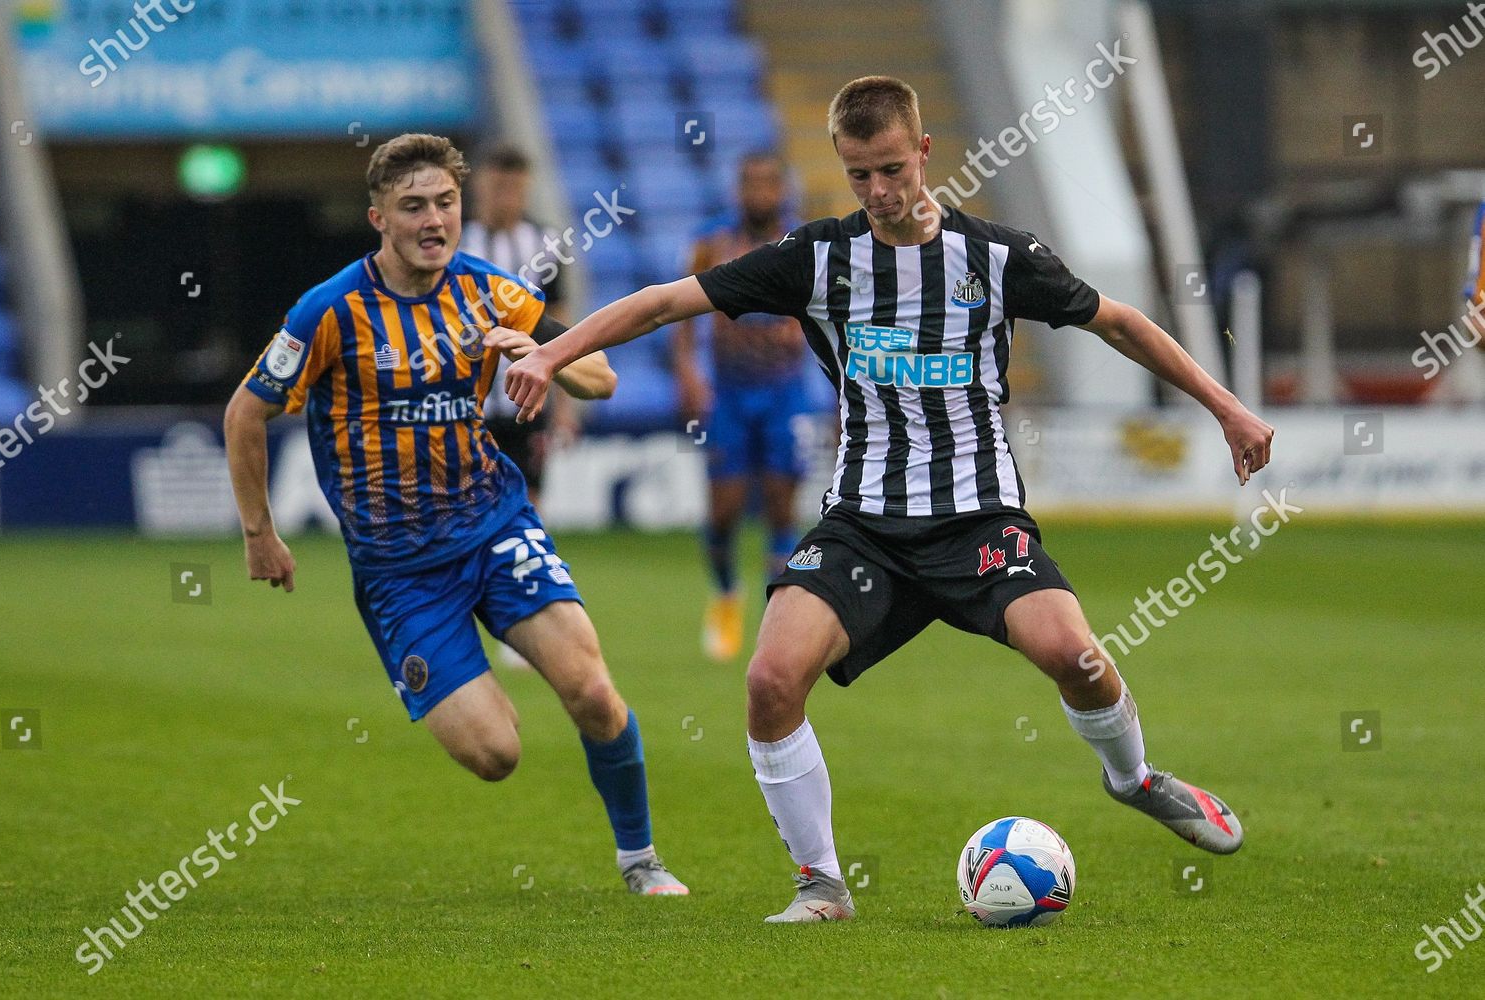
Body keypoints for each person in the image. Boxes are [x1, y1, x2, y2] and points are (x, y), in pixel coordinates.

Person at [506, 78, 1273, 922]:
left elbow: (1121, 322)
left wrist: (1227, 407)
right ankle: (822, 885)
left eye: (890, 170)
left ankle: (1134, 778)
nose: (877, 192)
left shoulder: (997, 258)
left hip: (979, 518)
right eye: (859, 174)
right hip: (865, 525)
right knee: (769, 679)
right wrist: (552, 354)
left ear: (923, 154)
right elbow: (663, 303)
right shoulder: (817, 258)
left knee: (1077, 657)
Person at [224, 133, 688, 896]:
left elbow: (602, 379)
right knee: (495, 755)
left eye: (445, 203)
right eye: (413, 207)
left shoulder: (489, 289)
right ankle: (449, 676)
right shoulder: (328, 311)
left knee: (593, 693)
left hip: (496, 524)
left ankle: (641, 861)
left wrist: (538, 350)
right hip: (400, 571)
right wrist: (259, 532)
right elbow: (245, 414)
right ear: (378, 217)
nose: (433, 219)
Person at [672, 152, 809, 661]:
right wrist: (687, 370)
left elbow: (827, 311)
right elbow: (681, 312)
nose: (760, 194)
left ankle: (778, 616)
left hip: (783, 391)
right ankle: (727, 595)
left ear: (782, 188)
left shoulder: (801, 244)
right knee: (724, 509)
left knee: (780, 502)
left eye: (769, 183)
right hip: (728, 393)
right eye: (751, 183)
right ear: (738, 189)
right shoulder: (712, 242)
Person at [460, 141, 579, 668]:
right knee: (466, 506)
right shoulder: (457, 241)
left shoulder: (545, 245)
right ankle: (466, 609)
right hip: (468, 405)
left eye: (515, 185)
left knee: (528, 508)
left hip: (527, 401)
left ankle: (526, 612)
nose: (506, 194)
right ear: (479, 184)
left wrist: (569, 403)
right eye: (497, 183)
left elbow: (565, 323)